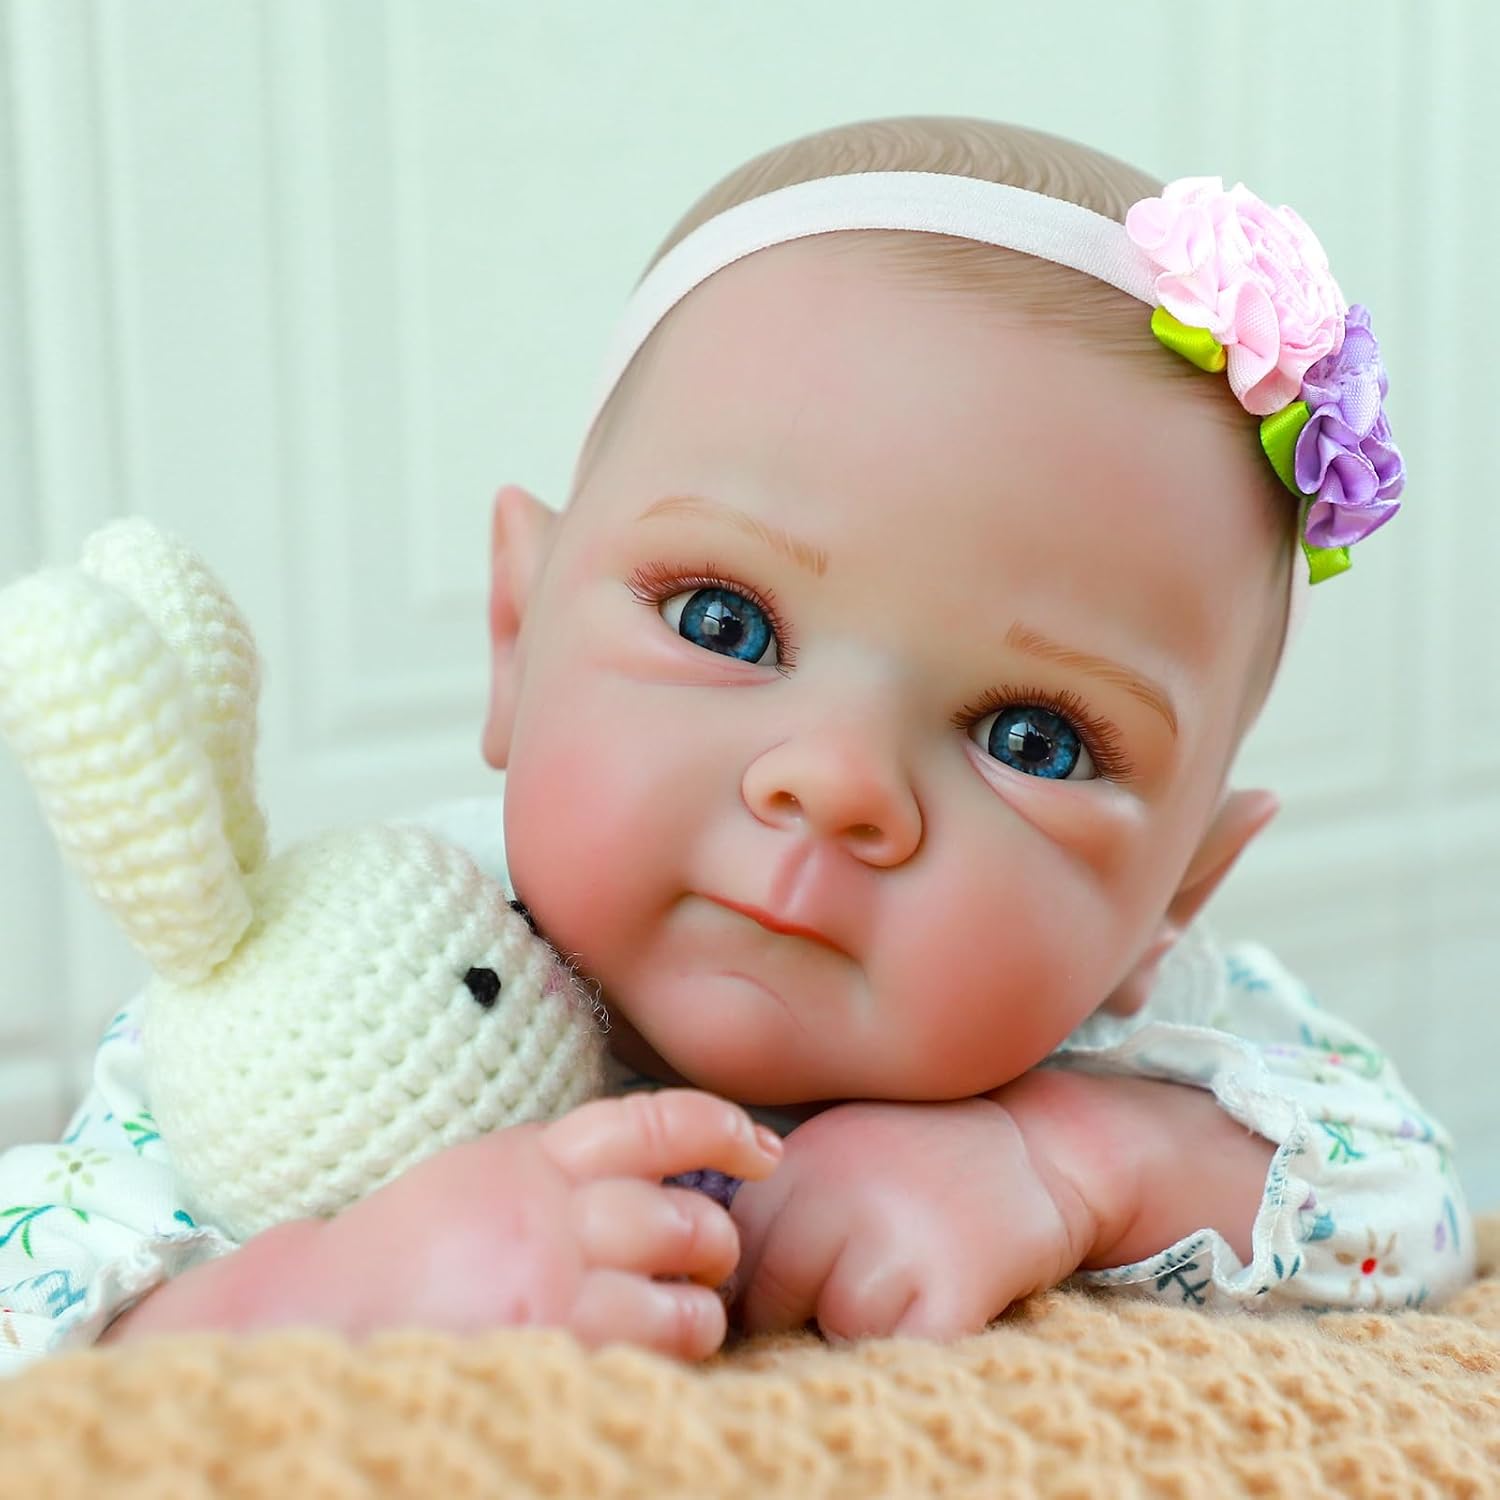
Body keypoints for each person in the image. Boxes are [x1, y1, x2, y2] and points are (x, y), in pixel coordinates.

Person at [0, 117, 1472, 1373]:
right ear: (517, 634)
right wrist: (327, 1291)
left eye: (1033, 738)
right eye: (725, 621)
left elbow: (1416, 1208)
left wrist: (1075, 1162)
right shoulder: (326, 984)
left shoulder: (1147, 1044)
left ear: (1177, 898)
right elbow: (39, 1296)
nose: (836, 781)